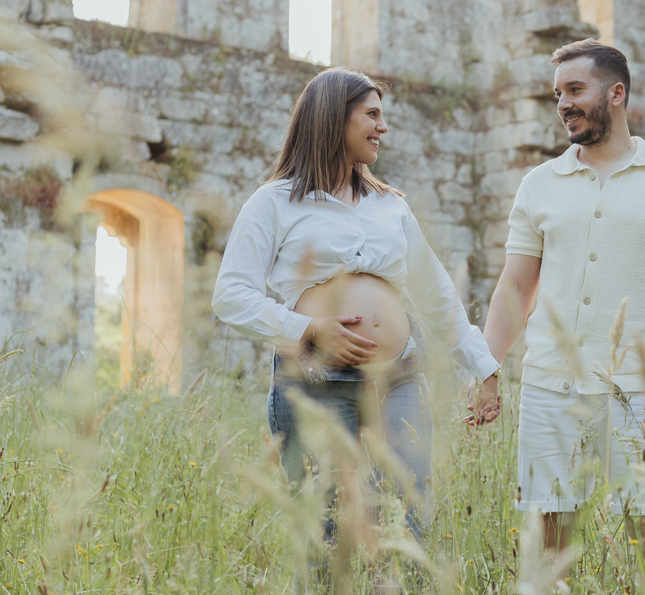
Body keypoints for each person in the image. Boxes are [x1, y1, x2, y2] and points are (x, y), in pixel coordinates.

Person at [212, 67, 502, 544]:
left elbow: (436, 295)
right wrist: (307, 329)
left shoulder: (391, 206)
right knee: (327, 532)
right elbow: (230, 295)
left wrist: (483, 367)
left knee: (410, 523)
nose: (382, 127)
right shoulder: (274, 202)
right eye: (372, 115)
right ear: (334, 118)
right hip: (316, 382)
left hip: (400, 378)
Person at [481, 39, 645, 581]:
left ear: (616, 93)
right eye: (557, 93)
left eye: (575, 90)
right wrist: (487, 366)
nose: (563, 103)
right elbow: (515, 287)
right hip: (548, 388)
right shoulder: (539, 184)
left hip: (640, 391)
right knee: (546, 544)